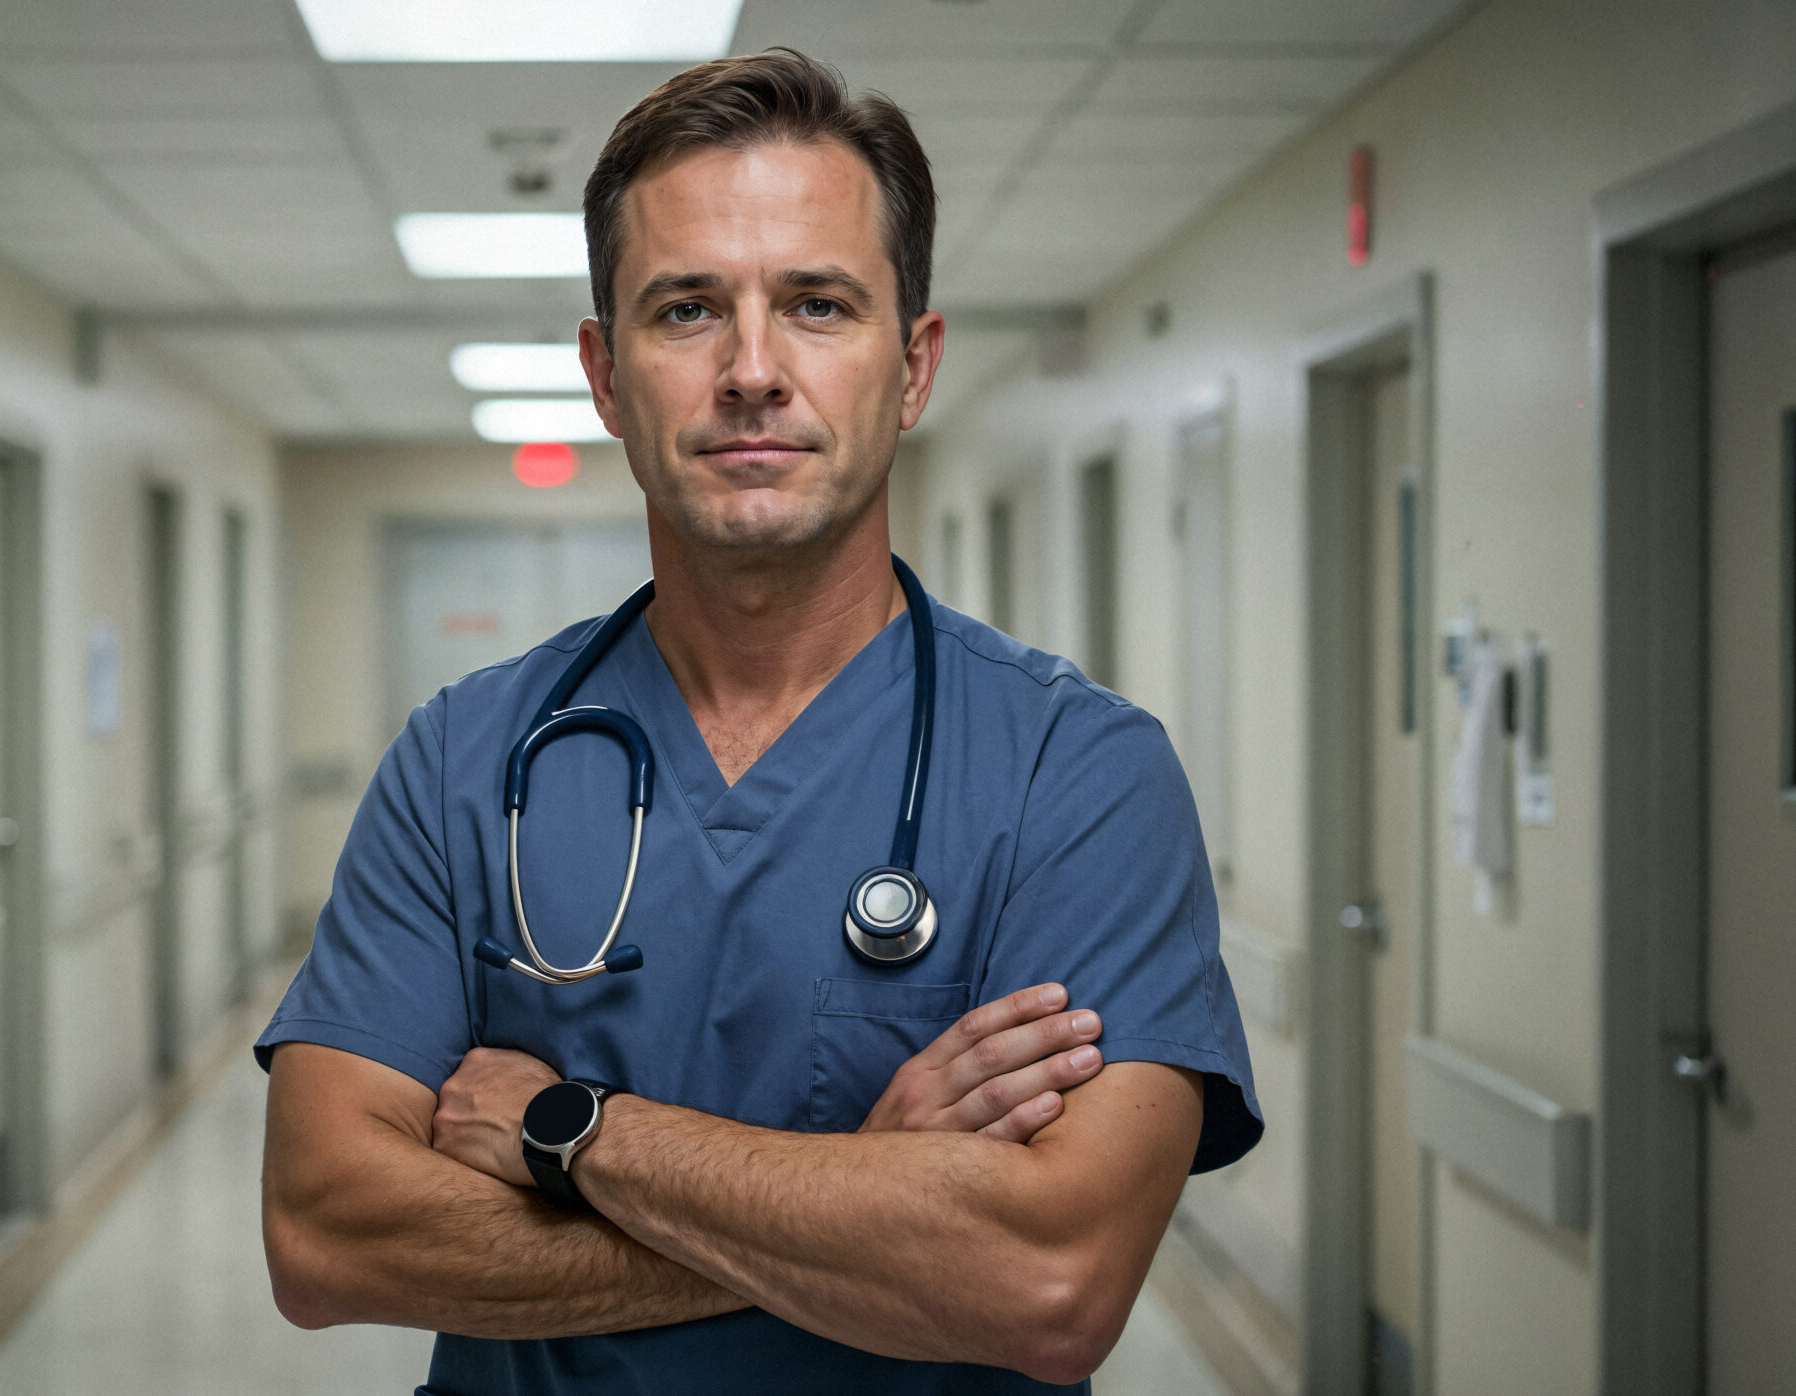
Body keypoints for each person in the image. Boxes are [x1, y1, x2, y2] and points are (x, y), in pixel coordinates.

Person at [256, 48, 1261, 1394]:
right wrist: (867, 1199)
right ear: (606, 377)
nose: (750, 369)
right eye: (685, 310)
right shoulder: (465, 759)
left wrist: (573, 1133)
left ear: (913, 366)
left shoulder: (1076, 777)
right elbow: (325, 1233)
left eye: (817, 305)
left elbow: (1048, 1282)